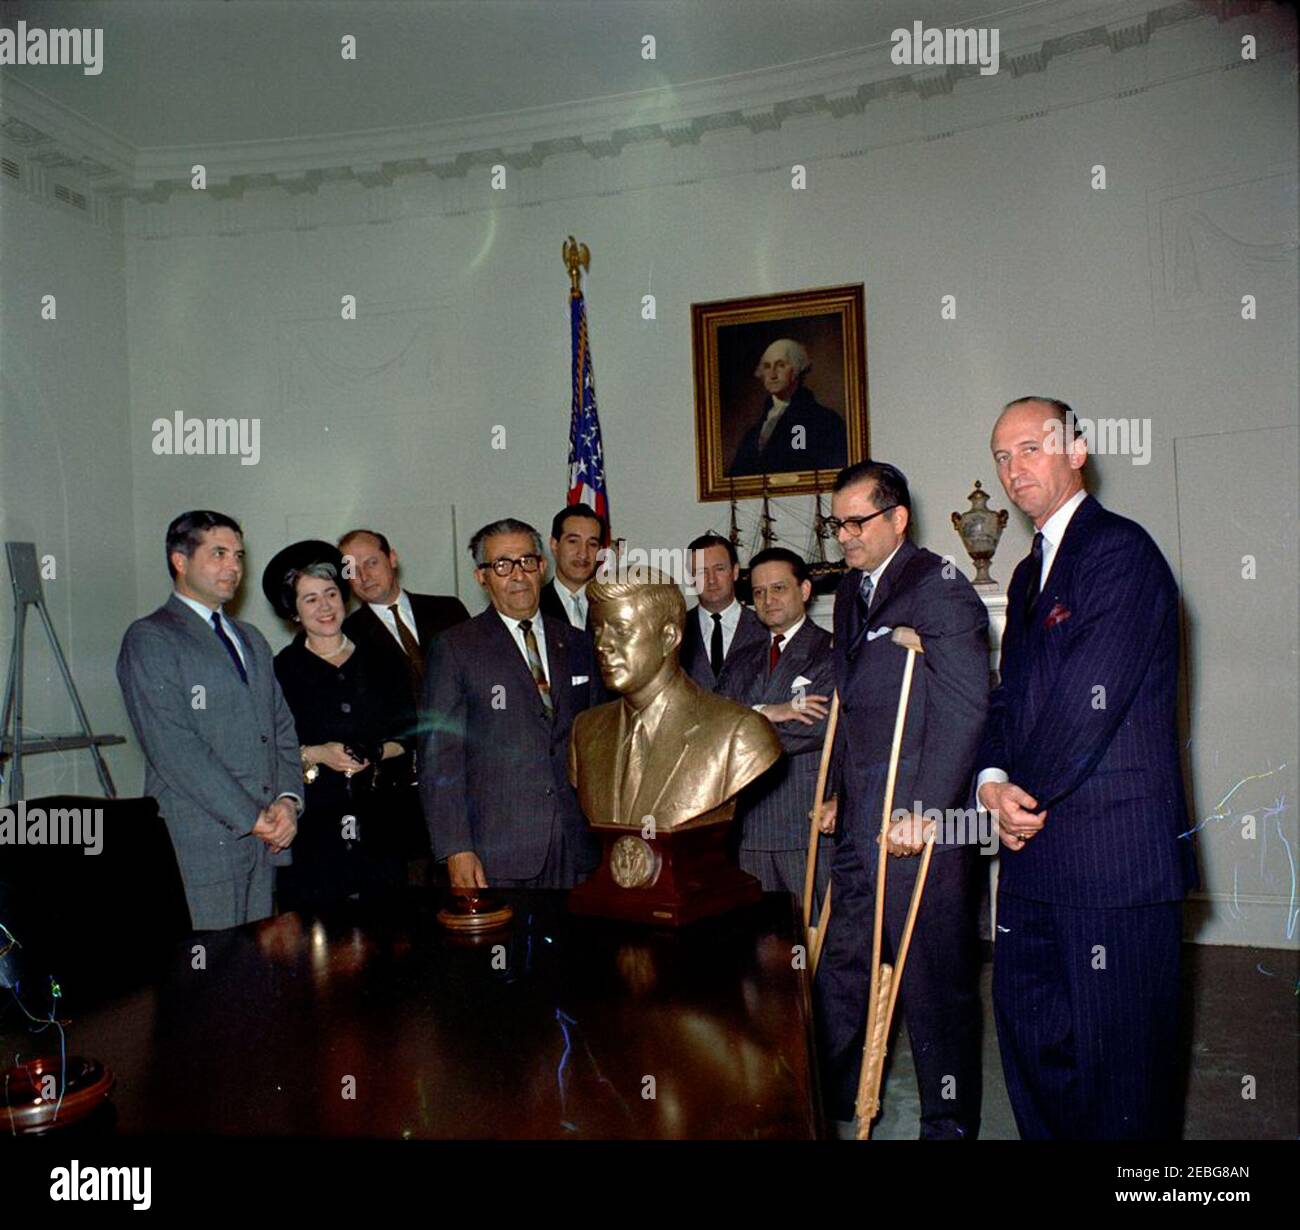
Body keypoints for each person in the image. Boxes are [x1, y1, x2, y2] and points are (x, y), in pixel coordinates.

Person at [978, 397, 1196, 1140]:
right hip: (1033, 859)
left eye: (1030, 449)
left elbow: (1087, 706)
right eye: (1003, 457)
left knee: (1122, 1079)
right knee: (1037, 1057)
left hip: (1113, 866)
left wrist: (1017, 790)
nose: (1014, 471)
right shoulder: (1026, 575)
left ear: (1078, 450)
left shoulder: (1120, 552)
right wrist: (988, 781)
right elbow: (1007, 700)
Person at [814, 462, 989, 1138]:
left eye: (858, 522)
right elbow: (853, 702)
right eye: (838, 524)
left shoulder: (942, 589)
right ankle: (825, 1105)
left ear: (898, 519)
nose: (845, 536)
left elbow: (966, 707)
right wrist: (834, 792)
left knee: (932, 982)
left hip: (920, 818)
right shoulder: (854, 592)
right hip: (861, 809)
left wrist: (927, 807)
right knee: (845, 963)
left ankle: (947, 1128)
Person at [116, 510, 302, 930]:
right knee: (208, 978)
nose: (233, 566)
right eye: (218, 553)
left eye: (238, 555)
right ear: (180, 561)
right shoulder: (151, 637)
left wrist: (288, 802)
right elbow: (174, 748)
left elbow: (280, 730)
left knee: (257, 973)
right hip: (201, 840)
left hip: (265, 841)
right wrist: (251, 817)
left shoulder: (250, 638)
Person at [420, 517, 602, 889]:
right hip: (498, 851)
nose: (517, 575)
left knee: (580, 947)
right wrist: (456, 848)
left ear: (543, 566)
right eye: (502, 565)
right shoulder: (455, 648)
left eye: (527, 561)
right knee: (508, 948)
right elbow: (440, 758)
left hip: (577, 846)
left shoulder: (579, 643)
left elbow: (598, 740)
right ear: (481, 577)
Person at [265, 541, 415, 912]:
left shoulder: (382, 658)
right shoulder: (281, 670)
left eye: (331, 594)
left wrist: (377, 752)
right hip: (314, 827)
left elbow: (410, 734)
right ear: (294, 612)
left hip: (382, 823)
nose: (326, 607)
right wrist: (318, 754)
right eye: (311, 599)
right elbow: (270, 745)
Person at [569, 570, 782, 831]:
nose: (602, 644)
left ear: (669, 637)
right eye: (597, 630)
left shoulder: (740, 734)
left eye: (621, 631)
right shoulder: (586, 730)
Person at [338, 527, 469, 860]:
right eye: (353, 570)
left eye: (372, 562)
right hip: (400, 788)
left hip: (468, 771)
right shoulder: (347, 636)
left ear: (392, 558)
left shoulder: (447, 611)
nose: (365, 576)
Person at [721, 547, 834, 915]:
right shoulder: (741, 659)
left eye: (778, 588)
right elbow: (716, 723)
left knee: (812, 938)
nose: (767, 600)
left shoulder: (830, 651)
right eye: (758, 592)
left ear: (804, 590)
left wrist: (745, 725)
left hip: (802, 822)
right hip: (748, 826)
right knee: (762, 945)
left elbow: (816, 726)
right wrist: (771, 711)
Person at [728, 338, 848, 477]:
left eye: (781, 365)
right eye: (767, 366)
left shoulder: (824, 421)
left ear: (797, 369)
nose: (772, 375)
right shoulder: (753, 434)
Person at [679, 533, 767, 692]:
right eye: (701, 572)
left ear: (735, 572)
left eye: (719, 569)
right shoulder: (677, 631)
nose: (711, 579)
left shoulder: (766, 628)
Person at [539, 503, 606, 631]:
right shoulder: (533, 606)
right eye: (573, 541)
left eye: (592, 544)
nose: (583, 554)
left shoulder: (611, 606)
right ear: (554, 545)